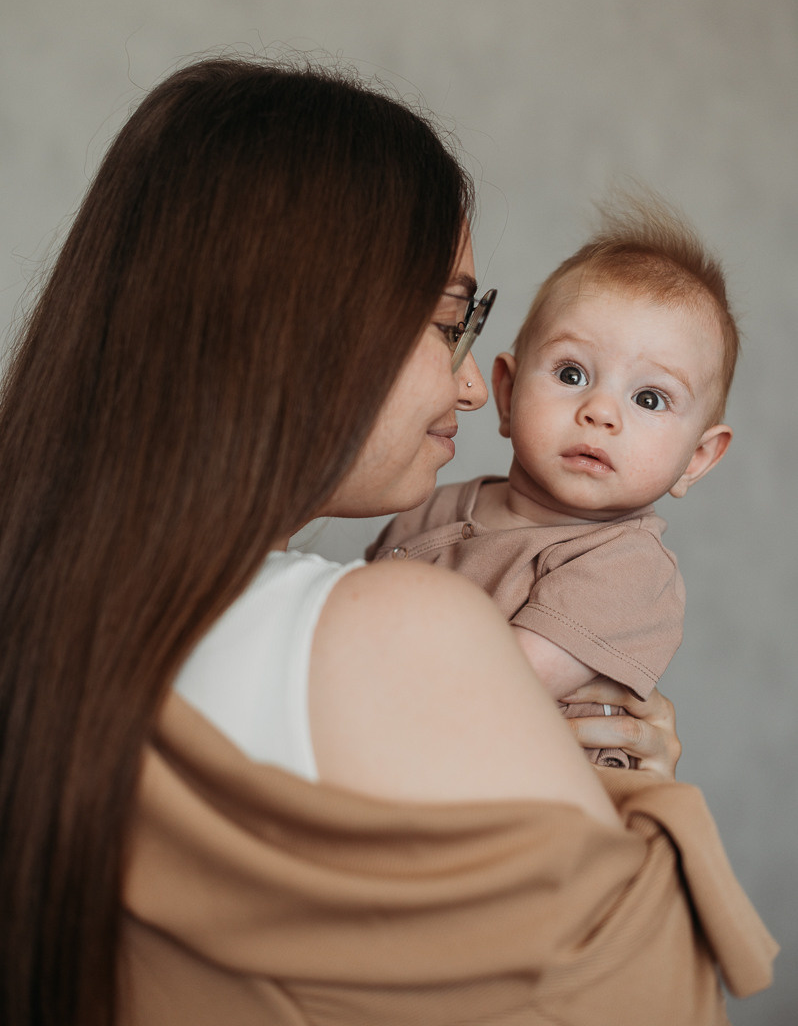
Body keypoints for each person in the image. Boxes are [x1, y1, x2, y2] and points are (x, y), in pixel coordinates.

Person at [0, 58, 775, 1026]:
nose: (463, 387)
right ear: (303, 321)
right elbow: (652, 1004)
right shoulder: (395, 626)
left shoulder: (52, 613)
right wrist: (647, 805)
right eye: (452, 319)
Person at [368, 194, 735, 767]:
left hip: (534, 818)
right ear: (509, 394)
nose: (600, 411)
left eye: (648, 397)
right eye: (572, 373)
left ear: (697, 458)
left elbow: (493, 687)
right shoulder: (429, 506)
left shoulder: (626, 567)